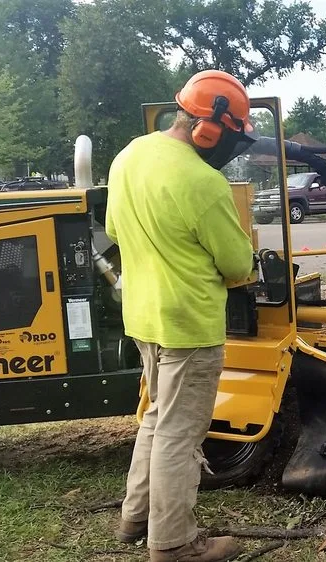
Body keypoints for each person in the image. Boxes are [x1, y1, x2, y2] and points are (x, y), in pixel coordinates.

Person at [105, 69, 256, 562]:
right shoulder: (202, 181)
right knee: (179, 433)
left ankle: (136, 517)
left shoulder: (129, 156)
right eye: (230, 135)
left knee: (154, 418)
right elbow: (238, 266)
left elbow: (113, 227)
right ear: (208, 129)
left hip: (144, 318)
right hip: (189, 324)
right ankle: (173, 544)